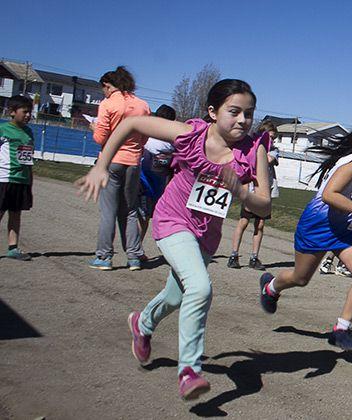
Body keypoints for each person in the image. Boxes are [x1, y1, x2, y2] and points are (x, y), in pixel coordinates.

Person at [77, 79, 271, 400]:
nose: (242, 120)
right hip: (173, 220)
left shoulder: (254, 150)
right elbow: (132, 123)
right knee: (200, 288)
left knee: (176, 296)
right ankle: (190, 370)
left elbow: (264, 204)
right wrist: (101, 165)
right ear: (212, 111)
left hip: (206, 234)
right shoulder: (189, 134)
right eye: (234, 112)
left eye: (248, 114)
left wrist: (240, 191)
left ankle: (142, 324)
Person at [258, 121, 352, 353]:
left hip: (345, 230)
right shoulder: (350, 165)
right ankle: (271, 287)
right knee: (300, 279)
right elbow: (329, 194)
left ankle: (341, 329)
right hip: (318, 224)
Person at [89, 66, 151, 271]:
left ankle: (104, 256)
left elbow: (100, 138)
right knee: (130, 210)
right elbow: (145, 137)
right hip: (133, 162)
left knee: (109, 210)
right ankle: (134, 256)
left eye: (104, 88)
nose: (104, 92)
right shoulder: (143, 105)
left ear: (108, 85)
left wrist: (94, 128)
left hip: (111, 160)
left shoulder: (108, 104)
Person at [228, 119, 278, 270]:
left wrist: (262, 149)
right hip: (251, 189)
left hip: (265, 191)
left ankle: (254, 257)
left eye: (274, 138)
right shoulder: (251, 147)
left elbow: (269, 159)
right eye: (269, 137)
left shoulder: (273, 150)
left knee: (260, 224)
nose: (272, 140)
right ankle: (234, 255)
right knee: (243, 221)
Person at [0, 96, 36, 261]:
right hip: (4, 178)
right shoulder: (3, 129)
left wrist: (30, 179)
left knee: (16, 214)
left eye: (30, 112)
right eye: (25, 112)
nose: (28, 115)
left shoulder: (29, 132)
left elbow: (29, 158)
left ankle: (13, 248)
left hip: (21, 180)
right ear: (12, 112)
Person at [138, 104, 177, 241]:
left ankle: (135, 248)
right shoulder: (174, 143)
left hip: (144, 181)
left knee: (140, 216)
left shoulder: (147, 137)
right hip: (157, 186)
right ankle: (136, 248)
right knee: (147, 217)